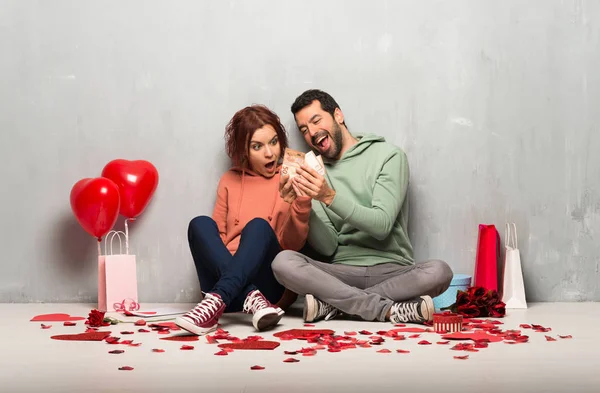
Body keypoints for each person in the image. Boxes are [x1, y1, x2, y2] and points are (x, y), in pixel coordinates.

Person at [272, 89, 453, 325]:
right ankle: (385, 309)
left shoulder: (389, 156)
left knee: (439, 271)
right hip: (341, 275)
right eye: (304, 130)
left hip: (393, 271)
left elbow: (381, 225)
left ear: (338, 115)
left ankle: (337, 307)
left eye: (316, 121)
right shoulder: (315, 172)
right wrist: (304, 201)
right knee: (283, 262)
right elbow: (327, 248)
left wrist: (328, 196)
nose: (312, 133)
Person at [176, 105, 310, 335]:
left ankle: (220, 300)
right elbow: (216, 238)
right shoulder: (230, 179)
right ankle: (244, 296)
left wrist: (303, 202)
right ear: (244, 151)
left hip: (269, 287)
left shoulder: (290, 176)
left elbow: (293, 247)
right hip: (228, 286)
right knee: (199, 223)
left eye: (274, 142)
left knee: (258, 226)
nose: (269, 153)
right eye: (257, 146)